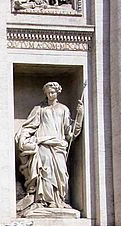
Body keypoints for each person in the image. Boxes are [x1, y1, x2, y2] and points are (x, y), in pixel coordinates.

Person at [15, 81, 83, 215]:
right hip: (44, 144)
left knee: (61, 174)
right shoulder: (39, 109)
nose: (50, 95)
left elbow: (70, 132)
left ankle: (59, 200)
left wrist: (80, 115)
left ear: (58, 92)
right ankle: (47, 201)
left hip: (59, 146)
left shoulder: (63, 109)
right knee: (46, 173)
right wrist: (23, 138)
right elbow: (30, 126)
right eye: (48, 93)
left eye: (53, 92)